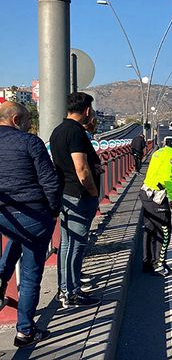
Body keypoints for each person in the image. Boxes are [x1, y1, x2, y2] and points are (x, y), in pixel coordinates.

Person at [0, 101, 61, 347]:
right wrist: (54, 212)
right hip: (33, 214)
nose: (29, 125)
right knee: (31, 273)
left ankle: (1, 278)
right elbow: (50, 182)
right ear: (16, 119)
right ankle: (25, 330)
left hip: (5, 215)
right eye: (26, 120)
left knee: (16, 239)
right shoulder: (30, 142)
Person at [50, 92, 101, 309]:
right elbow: (81, 169)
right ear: (87, 110)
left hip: (64, 194)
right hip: (79, 195)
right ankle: (72, 293)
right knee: (76, 245)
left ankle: (65, 288)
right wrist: (93, 192)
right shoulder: (75, 133)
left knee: (67, 244)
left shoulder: (58, 131)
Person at [140, 133, 172, 276]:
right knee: (164, 230)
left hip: (146, 192)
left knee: (150, 228)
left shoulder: (159, 151)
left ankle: (147, 262)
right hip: (156, 196)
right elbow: (168, 180)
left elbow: (157, 173)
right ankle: (159, 264)